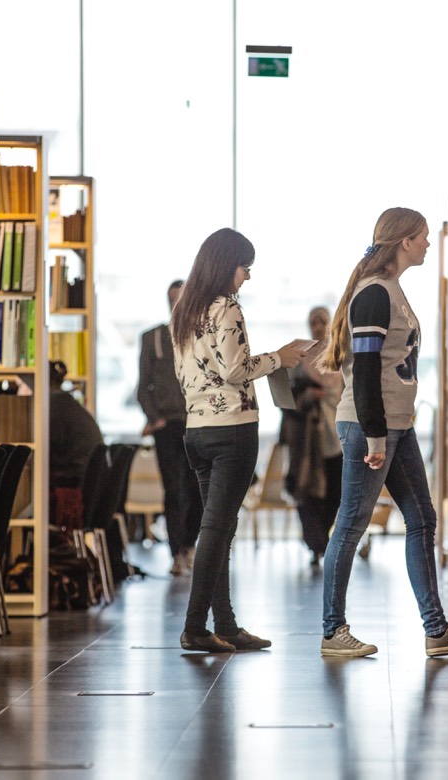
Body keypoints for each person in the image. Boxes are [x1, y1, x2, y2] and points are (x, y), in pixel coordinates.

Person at [319, 207, 448, 659]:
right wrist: (375, 436)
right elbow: (367, 373)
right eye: (424, 237)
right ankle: (333, 631)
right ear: (404, 242)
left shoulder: (392, 291)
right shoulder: (374, 294)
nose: (429, 244)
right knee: (351, 525)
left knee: (422, 519)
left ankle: (436, 630)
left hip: (398, 425)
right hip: (369, 425)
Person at [172, 227, 309, 652]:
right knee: (217, 528)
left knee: (220, 528)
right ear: (226, 266)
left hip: (196, 429)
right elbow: (235, 370)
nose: (246, 277)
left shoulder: (184, 311)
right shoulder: (226, 307)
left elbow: (192, 373)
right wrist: (280, 359)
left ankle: (225, 624)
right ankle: (196, 626)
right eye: (244, 268)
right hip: (233, 429)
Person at [139, 280, 202, 576]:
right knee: (173, 490)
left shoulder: (202, 337)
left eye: (181, 300)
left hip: (197, 424)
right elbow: (143, 387)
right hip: (166, 426)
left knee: (197, 488)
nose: (176, 306)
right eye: (172, 300)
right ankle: (177, 552)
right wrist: (155, 419)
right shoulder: (152, 338)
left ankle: (189, 546)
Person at [280, 306, 343, 566]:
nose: (318, 326)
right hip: (306, 438)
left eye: (322, 321)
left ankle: (323, 541)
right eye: (313, 322)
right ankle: (316, 544)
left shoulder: (341, 356)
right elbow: (284, 396)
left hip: (337, 436)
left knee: (334, 492)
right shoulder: (299, 358)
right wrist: (306, 396)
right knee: (306, 491)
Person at [48, 359, 104, 534]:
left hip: (74, 491)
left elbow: (47, 455)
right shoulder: (68, 403)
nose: (19, 392)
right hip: (90, 490)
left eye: (21, 386)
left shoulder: (52, 406)